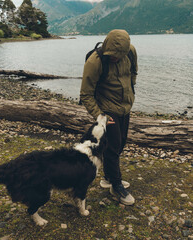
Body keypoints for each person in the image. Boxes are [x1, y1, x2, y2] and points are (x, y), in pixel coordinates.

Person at [80, 29, 138, 205]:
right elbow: (86, 94)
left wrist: (130, 91)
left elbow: (133, 73)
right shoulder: (94, 61)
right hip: (107, 110)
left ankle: (107, 177)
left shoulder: (130, 51)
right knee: (112, 148)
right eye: (113, 56)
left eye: (119, 56)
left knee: (121, 143)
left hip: (125, 107)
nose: (116, 58)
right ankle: (116, 186)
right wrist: (100, 116)